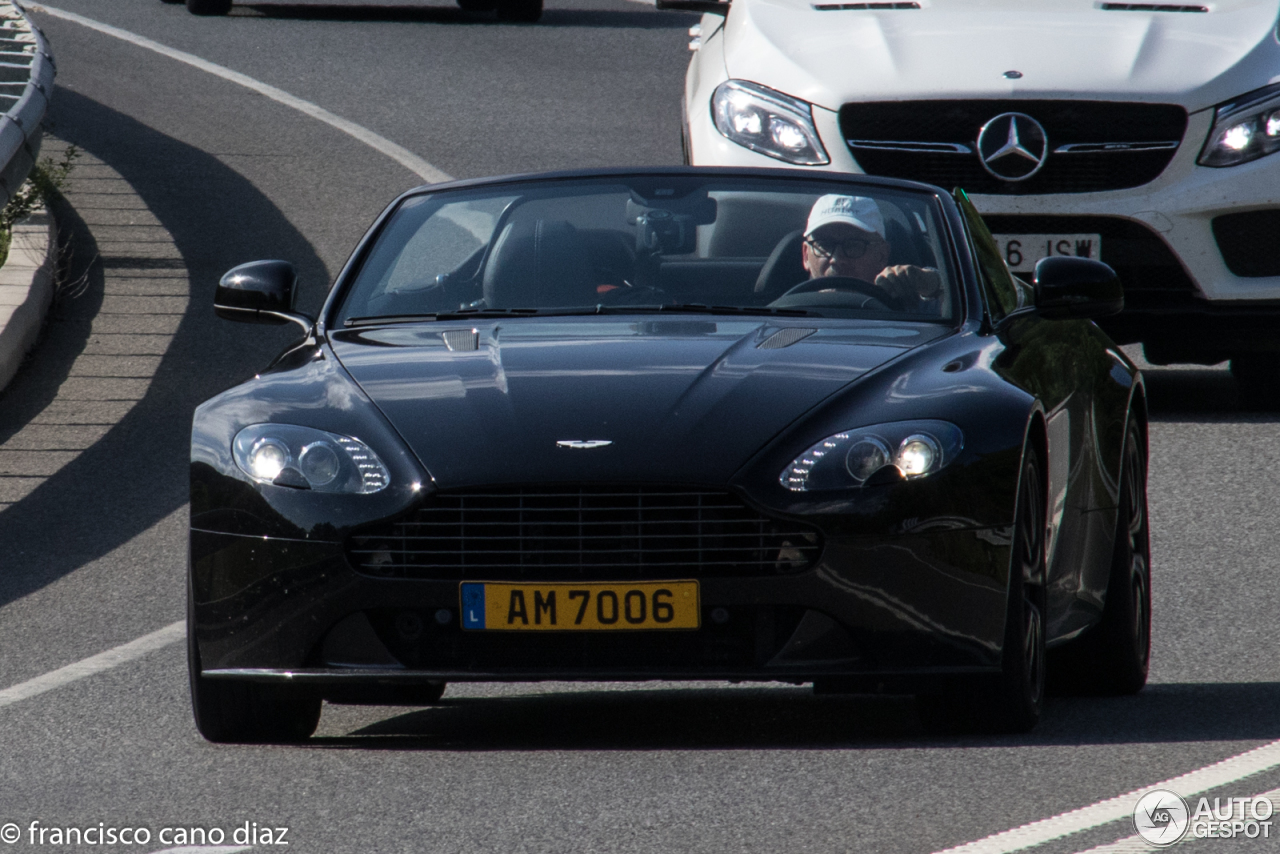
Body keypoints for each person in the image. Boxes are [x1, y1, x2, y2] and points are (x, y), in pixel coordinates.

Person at [800, 194, 942, 306]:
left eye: (853, 245)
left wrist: (928, 282)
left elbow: (955, 302)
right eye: (824, 245)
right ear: (806, 255)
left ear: (882, 255)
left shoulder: (913, 314)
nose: (837, 259)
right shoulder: (780, 313)